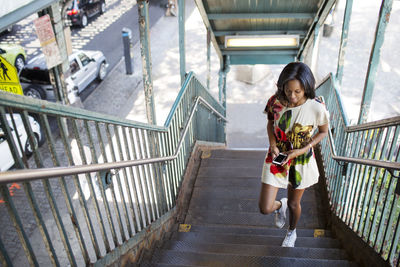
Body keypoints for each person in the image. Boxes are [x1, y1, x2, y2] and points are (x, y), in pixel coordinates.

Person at [258, 62, 329, 247]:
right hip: (276, 156)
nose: (292, 96)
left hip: (300, 159)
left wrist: (304, 149)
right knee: (265, 208)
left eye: (298, 91)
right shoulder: (275, 101)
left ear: (307, 87)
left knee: (294, 204)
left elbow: (323, 131)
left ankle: (292, 231)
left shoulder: (316, 107)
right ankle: (279, 206)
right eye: (288, 90)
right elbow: (270, 123)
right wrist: (273, 144)